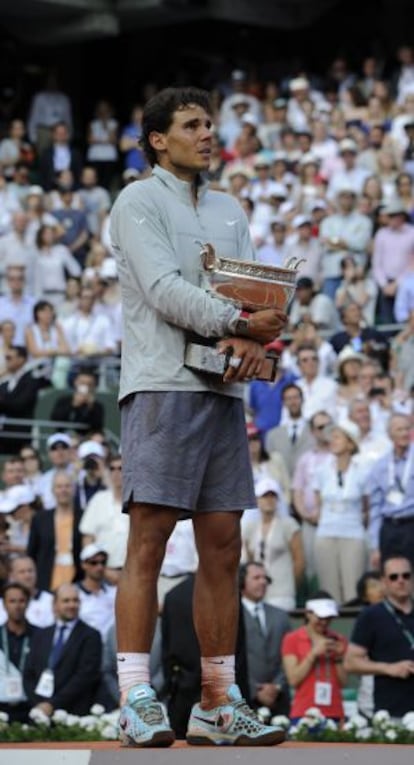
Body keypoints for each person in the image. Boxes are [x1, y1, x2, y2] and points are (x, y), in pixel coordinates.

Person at [109, 86, 287, 748]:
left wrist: (255, 334)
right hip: (160, 384)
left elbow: (252, 294)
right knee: (148, 540)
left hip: (223, 388)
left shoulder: (230, 207)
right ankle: (134, 695)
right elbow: (163, 290)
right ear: (158, 138)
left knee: (223, 545)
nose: (207, 133)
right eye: (192, 124)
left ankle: (217, 701)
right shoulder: (137, 200)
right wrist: (242, 321)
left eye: (210, 123)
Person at [344, 555, 414, 718]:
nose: (400, 580)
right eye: (394, 577)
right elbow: (350, 662)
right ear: (384, 582)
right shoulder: (371, 615)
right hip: (390, 712)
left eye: (406, 575)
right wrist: (389, 668)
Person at [23, 583, 102, 719]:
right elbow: (29, 673)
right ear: (54, 605)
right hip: (40, 711)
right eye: (66, 600)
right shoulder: (41, 635)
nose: (72, 605)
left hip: (74, 714)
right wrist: (40, 704)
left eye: (75, 600)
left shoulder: (91, 635)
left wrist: (52, 704)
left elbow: (85, 676)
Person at [313, 420, 369, 604]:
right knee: (329, 591)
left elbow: (366, 506)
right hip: (326, 533)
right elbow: (318, 503)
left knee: (353, 590)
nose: (333, 441)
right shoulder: (321, 471)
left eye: (338, 437)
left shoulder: (362, 471)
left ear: (350, 443)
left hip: (352, 533)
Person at [281, 593, 348, 722]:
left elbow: (343, 683)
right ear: (308, 613)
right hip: (304, 711)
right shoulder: (292, 639)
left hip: (335, 711)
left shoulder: (338, 639)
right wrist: (313, 653)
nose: (324, 622)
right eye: (320, 617)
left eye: (328, 618)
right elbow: (293, 679)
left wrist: (338, 657)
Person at [242, 477, 305, 610]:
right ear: (257, 500)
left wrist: (291, 584)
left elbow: (299, 560)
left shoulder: (289, 525)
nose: (269, 500)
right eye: (264, 496)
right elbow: (249, 560)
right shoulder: (250, 528)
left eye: (273, 496)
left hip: (282, 591)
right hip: (256, 594)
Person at [240, 561, 291, 717]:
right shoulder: (232, 616)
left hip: (279, 700)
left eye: (265, 578)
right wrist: (255, 690)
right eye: (256, 578)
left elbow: (289, 655)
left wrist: (277, 686)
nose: (263, 582)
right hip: (244, 700)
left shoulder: (280, 616)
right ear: (241, 581)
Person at [368, 413, 414, 569]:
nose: (404, 433)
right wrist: (375, 545)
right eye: (399, 429)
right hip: (389, 528)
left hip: (411, 523)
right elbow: (375, 507)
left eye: (407, 428)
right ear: (389, 434)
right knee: (391, 576)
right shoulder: (380, 466)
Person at [27, 470, 82, 591]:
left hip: (77, 582)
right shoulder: (40, 519)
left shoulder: (84, 517)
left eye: (67, 486)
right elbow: (31, 553)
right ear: (53, 490)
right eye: (59, 486)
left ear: (73, 489)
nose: (63, 490)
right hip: (46, 583)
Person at [0, 582, 35, 722]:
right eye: (12, 601)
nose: (17, 606)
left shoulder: (41, 636)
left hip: (31, 707)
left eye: (21, 601)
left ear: (28, 603)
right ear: (4, 604)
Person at [0, 555, 54, 628]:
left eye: (30, 571)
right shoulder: (1, 603)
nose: (27, 575)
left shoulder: (50, 600)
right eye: (22, 572)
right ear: (11, 575)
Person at [77, 543, 116, 641]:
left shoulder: (114, 592)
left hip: (110, 647)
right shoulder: (74, 594)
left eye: (103, 562)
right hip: (85, 647)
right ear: (83, 564)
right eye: (94, 563)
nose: (100, 567)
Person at [50, 367, 104, 434]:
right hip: (62, 436)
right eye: (82, 383)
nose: (85, 386)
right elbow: (55, 419)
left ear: (93, 386)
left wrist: (90, 407)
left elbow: (97, 427)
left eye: (89, 384)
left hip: (85, 439)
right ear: (75, 382)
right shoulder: (63, 400)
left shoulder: (96, 406)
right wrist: (73, 404)